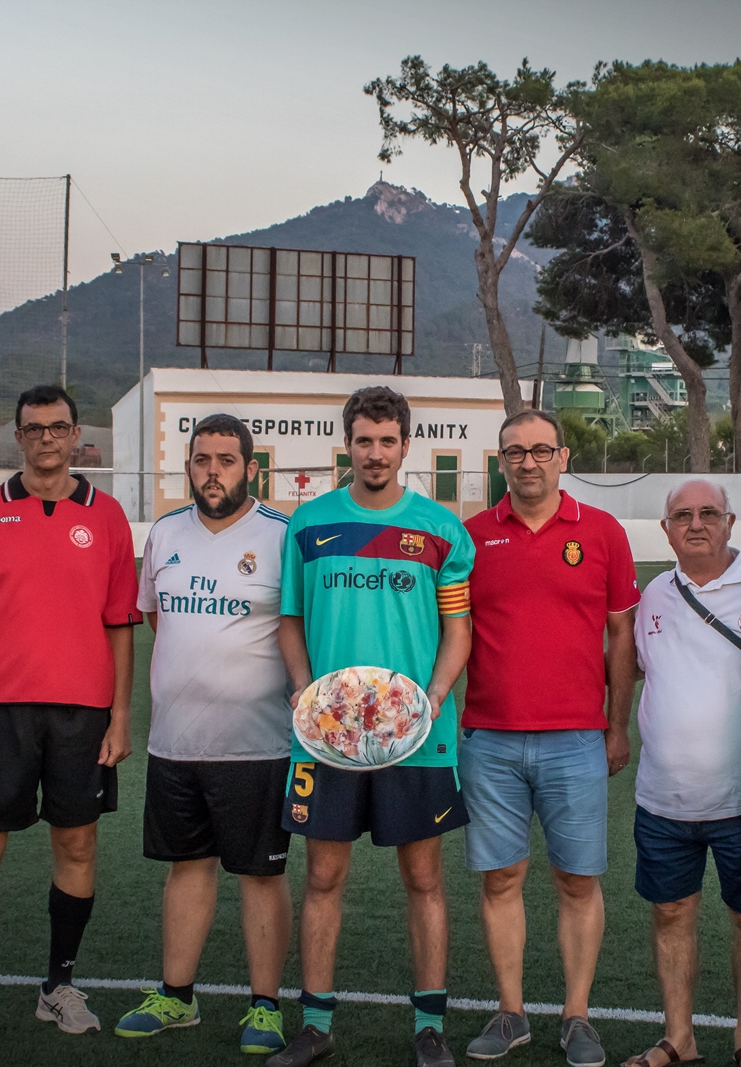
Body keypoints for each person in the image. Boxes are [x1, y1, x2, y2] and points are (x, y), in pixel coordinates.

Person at [0, 384, 140, 1038]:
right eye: (35, 428)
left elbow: (120, 625)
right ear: (18, 437)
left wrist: (121, 715)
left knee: (76, 844)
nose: (47, 437)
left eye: (58, 427)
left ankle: (59, 986)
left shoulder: (108, 517)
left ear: (76, 435)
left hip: (82, 714)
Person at [270, 386, 475, 1067]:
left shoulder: (442, 530)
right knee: (324, 876)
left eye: (388, 441)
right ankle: (315, 1025)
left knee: (424, 879)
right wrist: (304, 692)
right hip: (326, 737)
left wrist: (433, 697)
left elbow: (458, 628)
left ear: (406, 445)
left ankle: (430, 1028)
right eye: (364, 440)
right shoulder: (309, 524)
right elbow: (290, 619)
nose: (376, 453)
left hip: (415, 738)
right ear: (347, 445)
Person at [460, 409, 639, 1067]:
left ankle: (577, 1015)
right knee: (501, 878)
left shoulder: (603, 531)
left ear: (563, 457)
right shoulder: (471, 536)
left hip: (577, 739)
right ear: (501, 460)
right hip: (490, 739)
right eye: (515, 451)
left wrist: (617, 725)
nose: (528, 462)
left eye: (541, 450)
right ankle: (511, 1012)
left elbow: (622, 635)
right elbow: (453, 632)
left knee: (577, 880)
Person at [114, 414, 294, 1053]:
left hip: (258, 745)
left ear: (251, 468)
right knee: (187, 868)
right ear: (188, 466)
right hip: (175, 743)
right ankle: (177, 996)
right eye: (201, 460)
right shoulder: (165, 533)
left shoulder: (281, 536)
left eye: (225, 460)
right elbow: (158, 621)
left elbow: (298, 627)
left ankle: (265, 1007)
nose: (212, 472)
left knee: (260, 875)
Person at [625, 479, 741, 1067]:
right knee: (670, 914)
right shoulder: (653, 596)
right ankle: (678, 1037)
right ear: (666, 530)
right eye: (682, 515)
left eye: (708, 513)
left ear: (730, 523)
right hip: (662, 798)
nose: (695, 524)